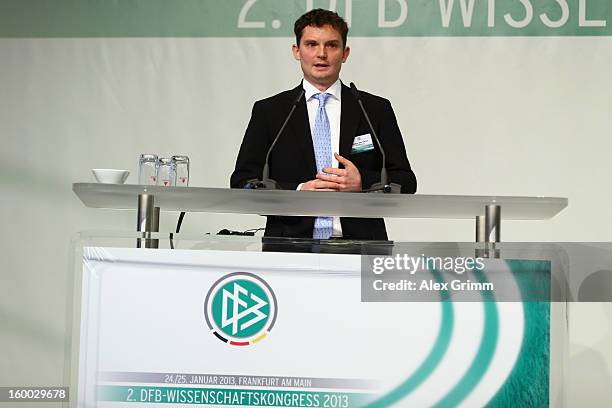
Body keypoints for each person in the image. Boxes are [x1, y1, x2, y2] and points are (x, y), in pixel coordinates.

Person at [230, 9, 416, 241]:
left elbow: (406, 182)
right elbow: (242, 183)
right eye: (311, 44)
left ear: (345, 53)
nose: (321, 54)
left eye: (331, 45)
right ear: (296, 51)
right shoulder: (270, 111)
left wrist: (363, 183)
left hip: (362, 247)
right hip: (288, 247)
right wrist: (298, 192)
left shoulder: (373, 109)